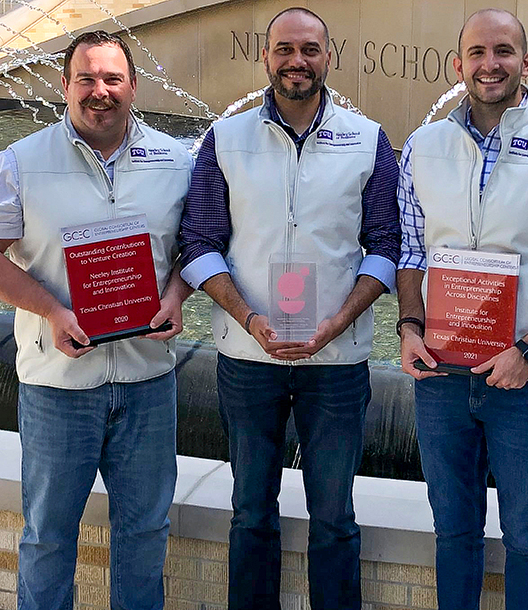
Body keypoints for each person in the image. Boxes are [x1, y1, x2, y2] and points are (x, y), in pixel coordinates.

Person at [0, 30, 192, 610]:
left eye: (112, 79)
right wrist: (51, 310)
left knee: (145, 534)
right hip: (58, 387)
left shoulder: (177, 160)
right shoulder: (21, 163)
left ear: (134, 85)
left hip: (147, 383)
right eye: (86, 79)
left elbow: (201, 246)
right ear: (65, 86)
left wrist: (178, 294)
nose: (99, 91)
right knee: (48, 538)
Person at [177, 7, 400, 610]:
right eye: (284, 49)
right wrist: (249, 318)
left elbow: (387, 246)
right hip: (248, 357)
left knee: (334, 515)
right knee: (251, 511)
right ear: (266, 56)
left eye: (308, 49)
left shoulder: (369, 139)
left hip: (338, 360)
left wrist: (339, 322)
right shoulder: (224, 139)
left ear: (329, 57)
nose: (295, 61)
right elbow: (197, 242)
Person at [395, 8, 528, 610]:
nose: (489, 65)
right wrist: (409, 325)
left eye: (503, 52)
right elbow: (411, 252)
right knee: (454, 530)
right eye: (477, 53)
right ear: (458, 63)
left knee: (527, 534)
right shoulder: (423, 146)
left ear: (526, 62)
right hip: (439, 375)